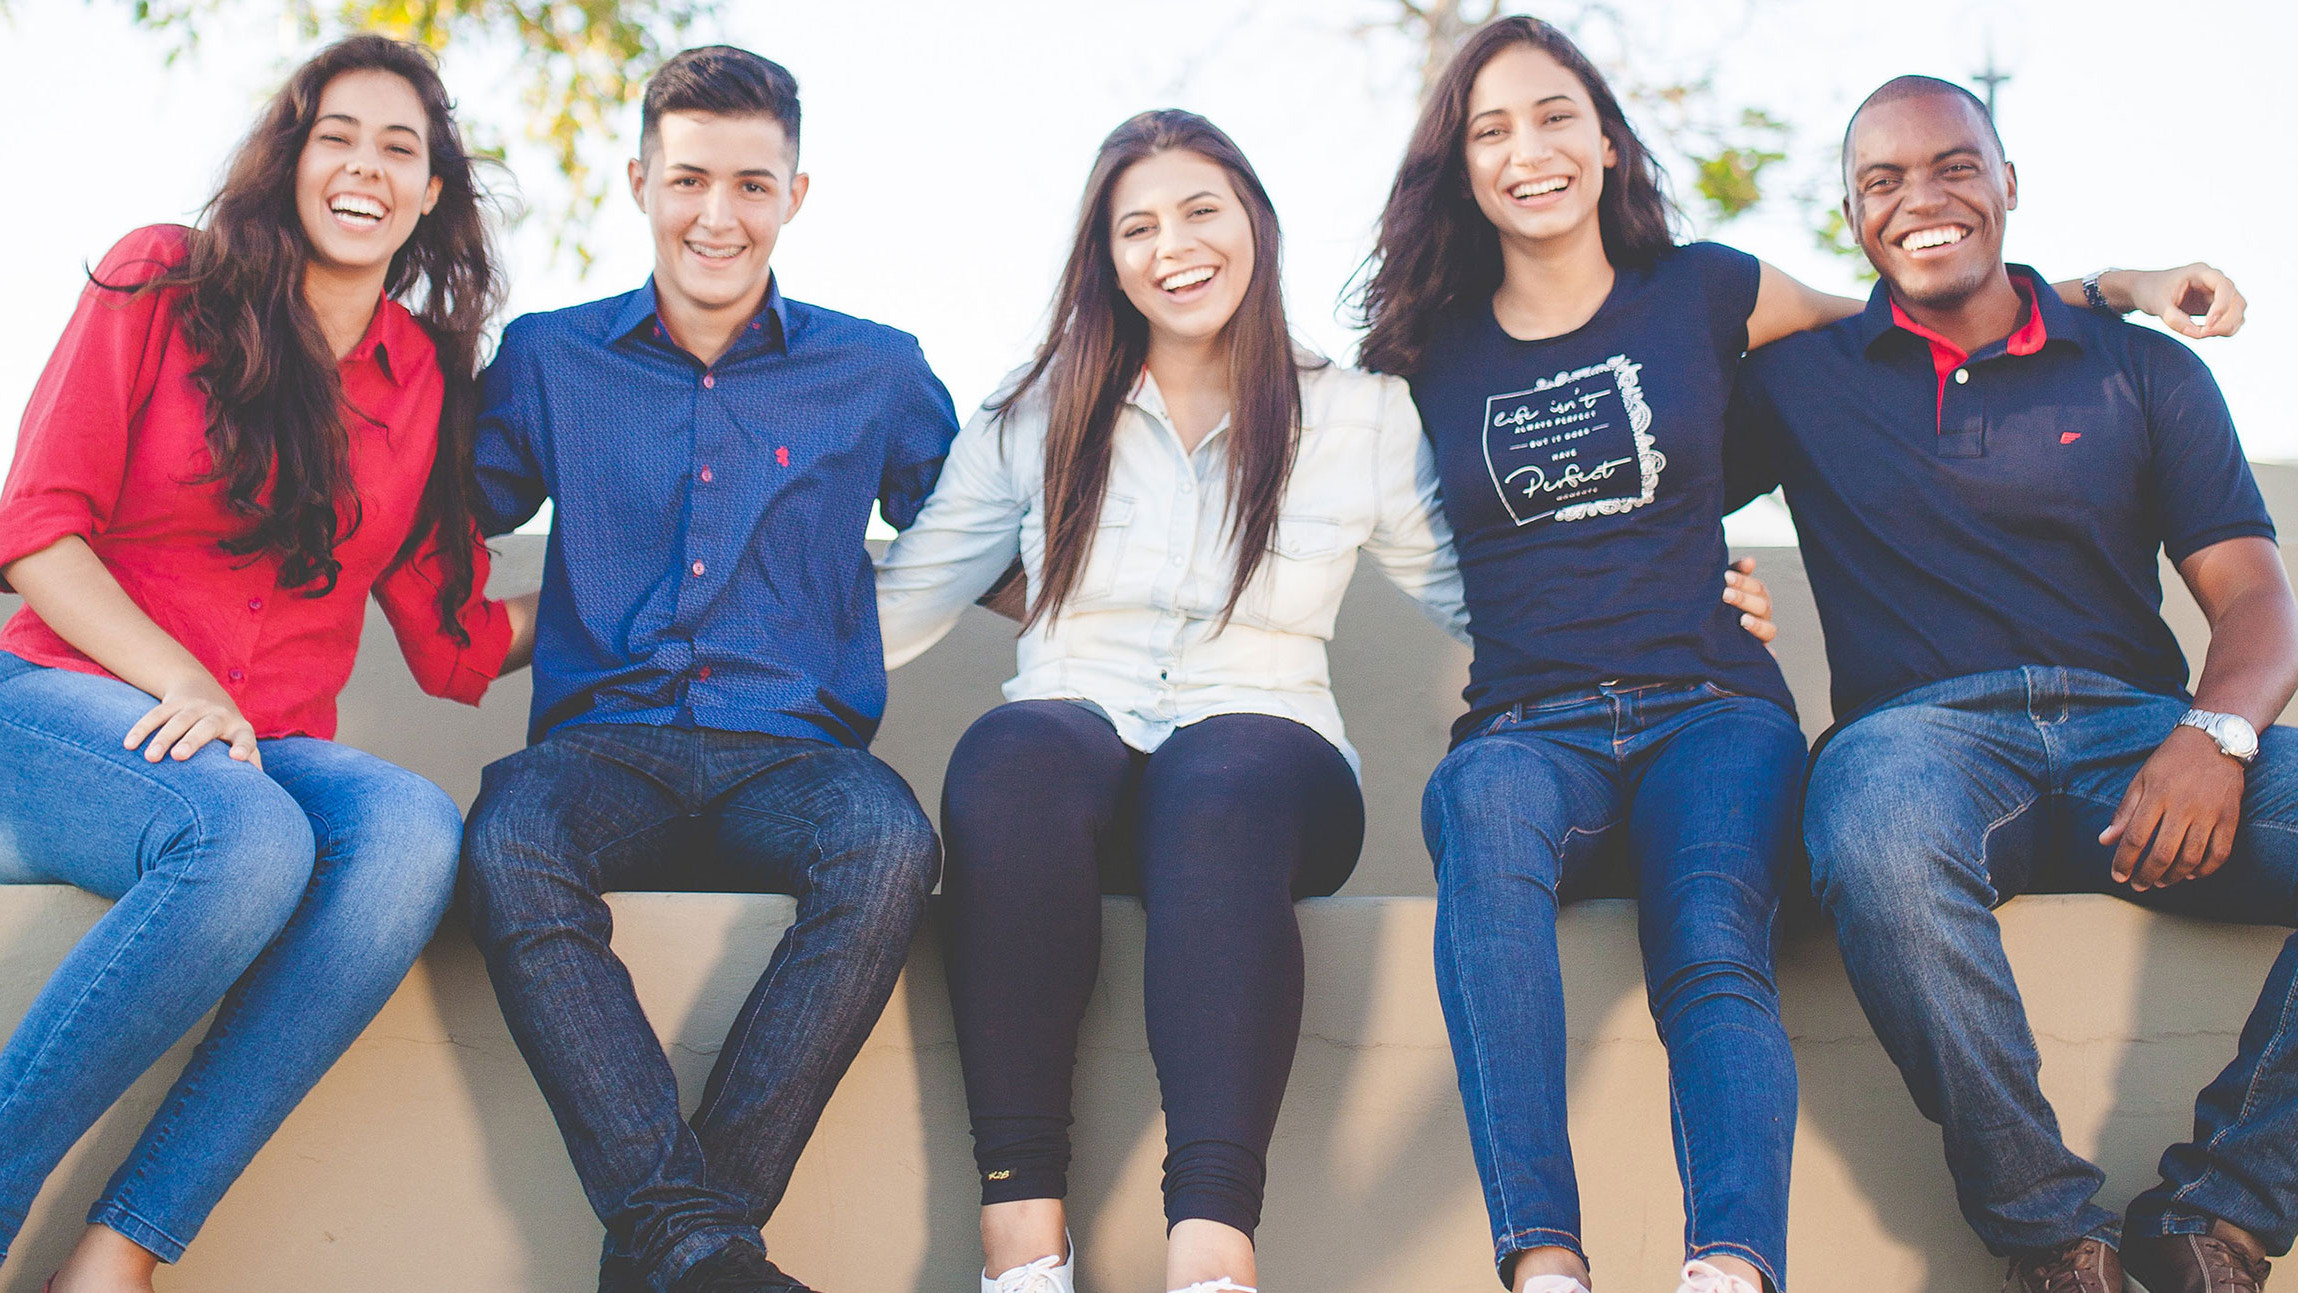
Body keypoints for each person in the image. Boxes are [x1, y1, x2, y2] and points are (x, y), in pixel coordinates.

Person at [1351, 18, 2243, 1293]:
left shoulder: (1713, 289)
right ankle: (1543, 1262)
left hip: (1714, 704)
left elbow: (1921, 306)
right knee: (1478, 845)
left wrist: (2119, 287)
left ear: (1605, 142)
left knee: (1713, 940)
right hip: (1523, 722)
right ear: (1460, 164)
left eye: (1556, 116)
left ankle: (1733, 1267)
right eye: (1491, 128)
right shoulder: (1424, 352)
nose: (1529, 150)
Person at [874, 108, 1776, 1293]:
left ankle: (1210, 1257)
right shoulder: (1034, 412)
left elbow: (1493, 589)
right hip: (1076, 726)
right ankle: (1024, 1249)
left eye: (1200, 210)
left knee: (1218, 777)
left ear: (1254, 219)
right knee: (1009, 754)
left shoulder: (1357, 415)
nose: (1173, 245)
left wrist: (1678, 593)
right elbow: (908, 597)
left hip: (1273, 751)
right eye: (1136, 226)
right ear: (1106, 256)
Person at [1727, 75, 2292, 1293]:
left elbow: (2255, 600)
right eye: (1882, 182)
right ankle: (2051, 1240)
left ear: (2008, 186)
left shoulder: (2141, 368)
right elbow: (1633, 421)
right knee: (1869, 832)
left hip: (2141, 742)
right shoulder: (1801, 379)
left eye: (1953, 167)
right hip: (1918, 745)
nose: (1920, 199)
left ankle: (2221, 1220)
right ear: (1850, 217)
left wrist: (2217, 735)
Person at [0, 35, 527, 1293]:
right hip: (60, 698)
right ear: (292, 158)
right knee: (246, 841)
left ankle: (119, 1252)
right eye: (337, 134)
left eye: (401, 147)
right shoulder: (163, 280)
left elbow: (450, 638)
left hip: (258, 745)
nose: (365, 166)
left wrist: (670, 605)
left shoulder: (422, 380)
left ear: (433, 192)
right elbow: (36, 529)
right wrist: (179, 677)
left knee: (407, 830)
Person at [456, 46, 959, 1293]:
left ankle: (679, 1253)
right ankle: (711, 1254)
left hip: (794, 758)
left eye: (751, 182)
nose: (716, 216)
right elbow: (427, 518)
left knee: (890, 845)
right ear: (639, 181)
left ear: (797, 193)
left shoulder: (879, 369)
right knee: (508, 836)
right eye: (689, 180)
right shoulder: (550, 357)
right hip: (601, 752)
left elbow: (991, 533)